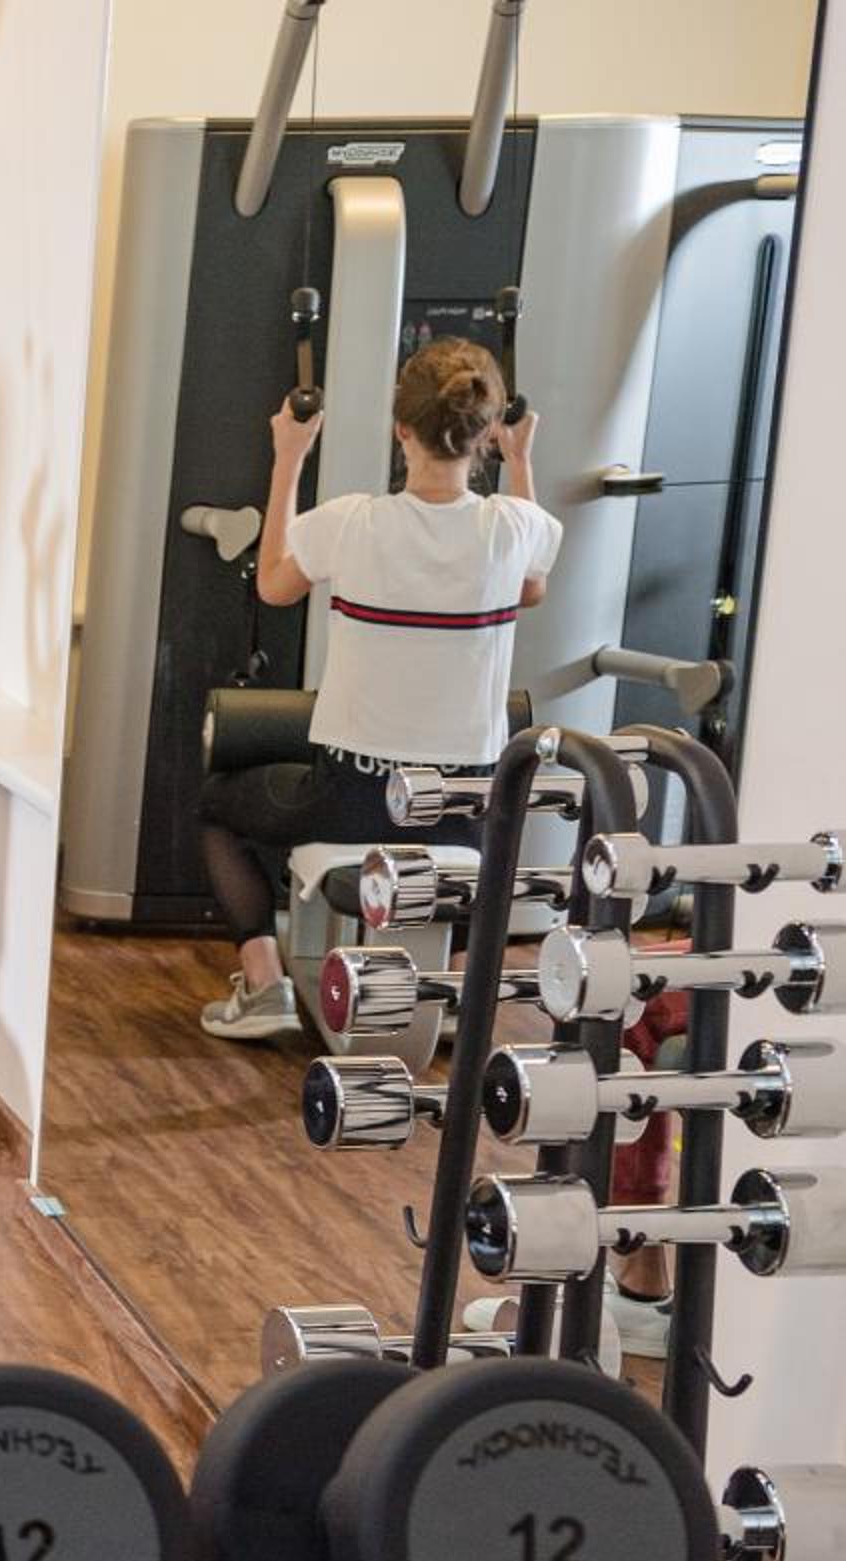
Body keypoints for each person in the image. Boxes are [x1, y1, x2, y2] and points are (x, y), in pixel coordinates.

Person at [197, 337, 561, 1039]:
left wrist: (288, 458)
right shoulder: (511, 527)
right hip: (462, 810)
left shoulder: (352, 521)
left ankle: (266, 985)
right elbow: (533, 586)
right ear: (486, 431)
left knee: (217, 806)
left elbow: (273, 584)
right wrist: (519, 461)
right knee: (481, 826)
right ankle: (448, 992)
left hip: (354, 798)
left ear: (401, 429)